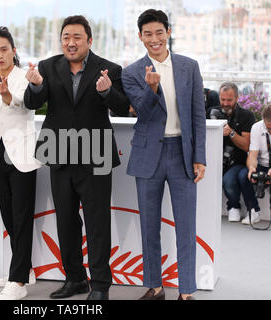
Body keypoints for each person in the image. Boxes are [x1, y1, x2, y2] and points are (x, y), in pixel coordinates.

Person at [24, 15, 130, 300]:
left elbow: (122, 108)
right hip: (59, 154)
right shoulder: (47, 66)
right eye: (66, 37)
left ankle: (99, 286)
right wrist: (34, 86)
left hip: (96, 154)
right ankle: (74, 279)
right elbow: (33, 102)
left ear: (89, 40)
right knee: (66, 220)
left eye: (77, 37)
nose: (70, 43)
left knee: (97, 223)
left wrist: (107, 91)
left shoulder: (109, 69)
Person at [121, 9, 206, 300]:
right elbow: (143, 113)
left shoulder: (189, 67)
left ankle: (186, 291)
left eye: (159, 32)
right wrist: (152, 88)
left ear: (168, 32)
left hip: (182, 153)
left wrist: (200, 157)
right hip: (148, 156)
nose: (154, 39)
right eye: (148, 34)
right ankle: (155, 286)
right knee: (149, 225)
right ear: (141, 37)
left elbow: (198, 115)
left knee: (186, 226)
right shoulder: (131, 72)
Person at [0, 26, 41, 300]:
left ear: (14, 50)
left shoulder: (24, 78)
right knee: (9, 217)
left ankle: (18, 281)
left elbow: (28, 105)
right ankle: (25, 269)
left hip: (22, 155)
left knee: (22, 218)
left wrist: (7, 97)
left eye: (4, 49)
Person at [209, 82, 260, 223]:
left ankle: (234, 206)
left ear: (237, 98)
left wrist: (231, 132)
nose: (225, 103)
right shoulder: (212, 112)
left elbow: (246, 145)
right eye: (222, 99)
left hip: (239, 161)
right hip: (215, 159)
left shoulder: (246, 116)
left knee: (228, 180)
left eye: (229, 100)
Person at [246, 105, 271, 224]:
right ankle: (253, 211)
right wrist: (252, 168)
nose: (270, 131)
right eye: (268, 128)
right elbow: (253, 154)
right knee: (245, 176)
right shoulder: (256, 127)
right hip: (262, 163)